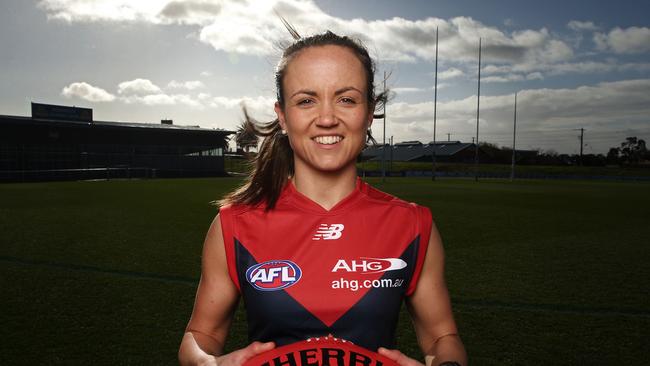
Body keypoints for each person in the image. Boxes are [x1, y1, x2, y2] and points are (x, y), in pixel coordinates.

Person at [178, 30, 467, 366]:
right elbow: (201, 337)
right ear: (283, 116)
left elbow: (442, 336)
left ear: (369, 112)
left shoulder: (413, 224)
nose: (327, 118)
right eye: (306, 100)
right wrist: (207, 364)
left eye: (346, 99)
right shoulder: (234, 225)